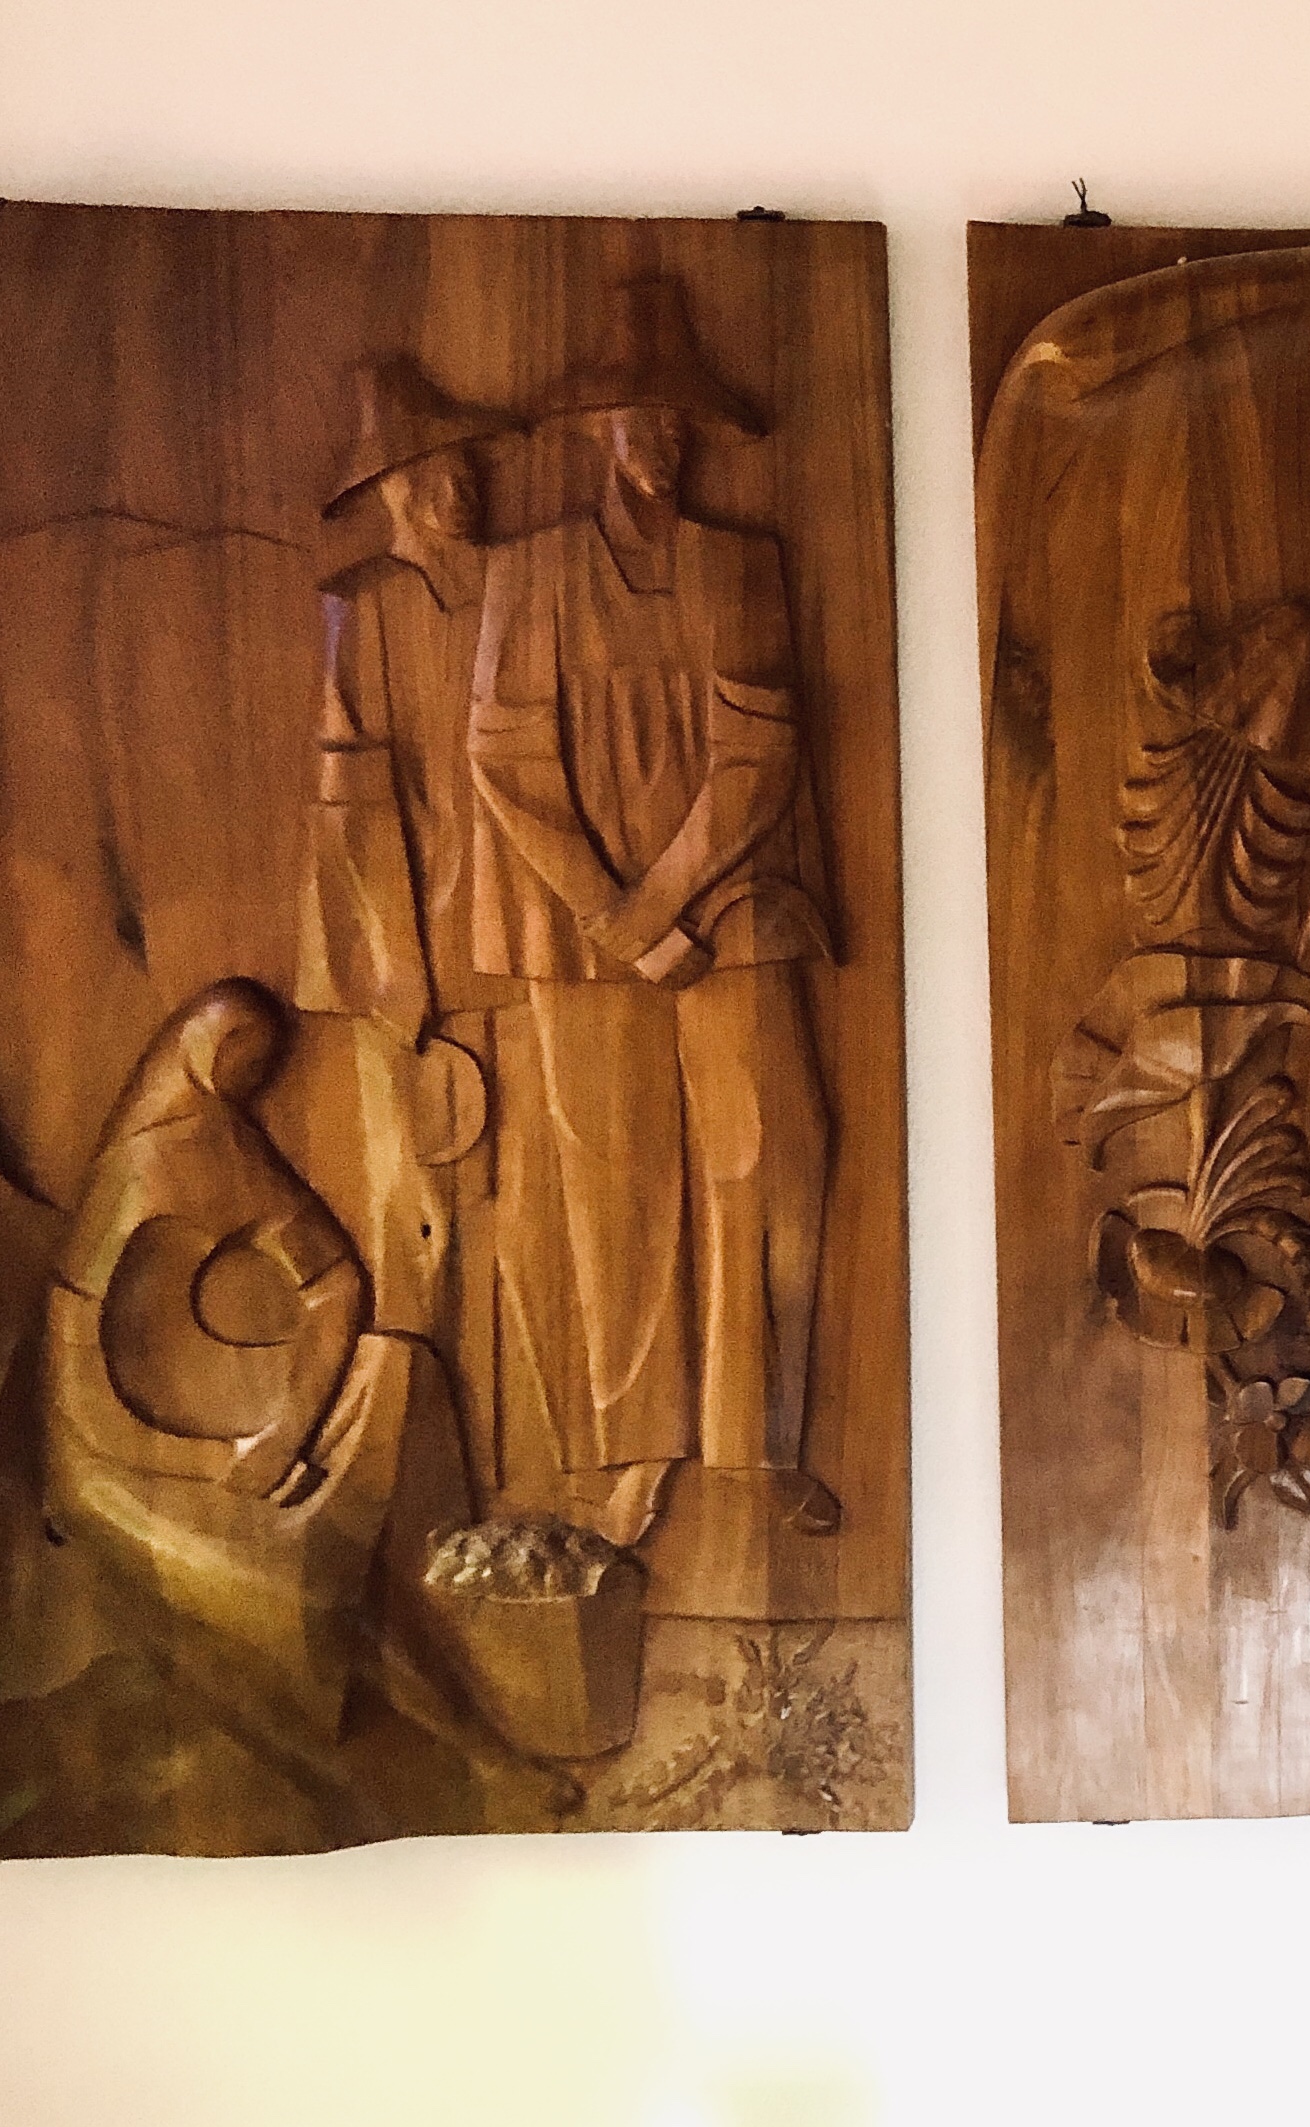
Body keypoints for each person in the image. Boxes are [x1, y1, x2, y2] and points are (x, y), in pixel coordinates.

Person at [466, 275, 837, 1546]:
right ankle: (634, 1454)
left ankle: (757, 1441)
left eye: (681, 425)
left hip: (732, 907)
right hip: (577, 929)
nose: (664, 445)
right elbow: (504, 758)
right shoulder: (529, 575)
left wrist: (666, 904)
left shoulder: (742, 566)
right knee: (612, 1178)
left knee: (774, 1153)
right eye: (644, 421)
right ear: (598, 432)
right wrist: (612, 915)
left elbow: (757, 754)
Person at [295, 356, 519, 1479]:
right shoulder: (365, 606)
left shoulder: (514, 593)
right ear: (393, 488)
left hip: (504, 944)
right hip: (399, 959)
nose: (465, 483)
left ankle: (505, 1459)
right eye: (441, 467)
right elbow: (351, 810)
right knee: (413, 1210)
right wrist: (396, 974)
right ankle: (406, 1459)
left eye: (471, 462)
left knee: (511, 1207)